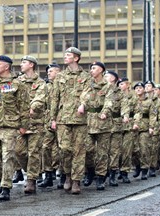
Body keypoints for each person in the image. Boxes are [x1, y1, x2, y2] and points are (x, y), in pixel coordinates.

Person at [0, 55, 29, 201]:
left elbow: (24, 106)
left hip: (10, 126)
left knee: (8, 157)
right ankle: (1, 177)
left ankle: (6, 187)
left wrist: (23, 125)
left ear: (6, 67)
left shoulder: (17, 84)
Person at [50, 47, 91, 194]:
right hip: (63, 118)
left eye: (69, 55)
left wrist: (83, 104)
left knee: (79, 151)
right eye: (65, 55)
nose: (65, 57)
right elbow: (54, 98)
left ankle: (76, 181)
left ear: (76, 58)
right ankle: (67, 174)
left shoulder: (86, 76)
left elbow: (88, 94)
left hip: (80, 120)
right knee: (64, 149)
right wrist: (52, 118)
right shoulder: (60, 76)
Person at [14, 55, 47, 194]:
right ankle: (32, 171)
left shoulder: (40, 83)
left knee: (34, 152)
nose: (21, 64)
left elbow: (40, 98)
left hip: (36, 123)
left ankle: (31, 180)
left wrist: (32, 107)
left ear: (32, 65)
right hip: (19, 123)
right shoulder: (16, 81)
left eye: (24, 62)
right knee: (18, 151)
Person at [79, 62, 113, 191]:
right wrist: (82, 105)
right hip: (88, 121)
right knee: (87, 150)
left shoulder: (108, 86)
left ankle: (100, 177)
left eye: (94, 68)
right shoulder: (88, 84)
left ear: (101, 70)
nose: (91, 70)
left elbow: (109, 101)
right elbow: (83, 97)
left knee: (102, 152)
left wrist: (104, 113)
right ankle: (90, 170)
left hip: (103, 122)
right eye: (91, 68)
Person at [38, 64, 62, 188]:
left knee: (62, 148)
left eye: (51, 71)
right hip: (48, 120)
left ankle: (63, 174)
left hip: (62, 119)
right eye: (48, 71)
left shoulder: (64, 84)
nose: (48, 73)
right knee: (45, 147)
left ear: (58, 72)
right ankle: (48, 174)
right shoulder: (45, 86)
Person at [132, 82, 157, 180]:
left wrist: (151, 127)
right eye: (136, 88)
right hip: (133, 128)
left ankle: (144, 169)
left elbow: (153, 115)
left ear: (144, 90)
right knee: (134, 150)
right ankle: (137, 166)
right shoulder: (132, 101)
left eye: (140, 88)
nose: (138, 89)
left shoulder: (149, 101)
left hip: (145, 128)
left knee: (144, 149)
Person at [118, 77, 137, 183]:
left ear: (127, 85)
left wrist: (135, 122)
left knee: (127, 151)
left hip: (128, 126)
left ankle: (124, 172)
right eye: (119, 84)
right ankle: (115, 171)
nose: (120, 86)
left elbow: (138, 111)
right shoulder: (115, 96)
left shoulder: (133, 98)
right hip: (116, 126)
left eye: (122, 84)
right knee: (116, 151)